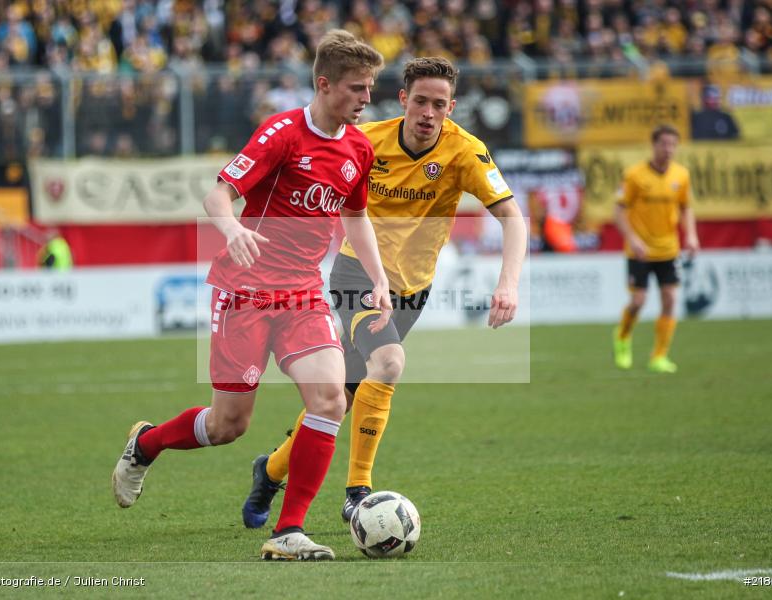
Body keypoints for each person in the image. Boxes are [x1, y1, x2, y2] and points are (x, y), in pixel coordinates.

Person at [111, 30, 390, 561]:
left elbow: (355, 215)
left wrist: (376, 277)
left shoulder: (358, 148)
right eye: (357, 88)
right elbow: (219, 194)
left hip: (303, 293)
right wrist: (233, 230)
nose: (366, 99)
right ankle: (146, 444)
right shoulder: (281, 133)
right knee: (227, 425)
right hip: (244, 292)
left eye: (371, 88)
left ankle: (289, 530)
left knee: (331, 398)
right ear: (325, 84)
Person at [241, 56, 528, 528]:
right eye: (420, 101)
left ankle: (270, 469)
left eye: (439, 104)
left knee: (346, 393)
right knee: (389, 363)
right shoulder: (365, 142)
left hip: (413, 290)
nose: (428, 113)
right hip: (358, 275)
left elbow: (512, 217)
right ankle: (358, 491)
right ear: (402, 100)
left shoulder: (465, 152)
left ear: (451, 107)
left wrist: (508, 284)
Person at [612, 124, 700, 373]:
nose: (669, 149)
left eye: (673, 144)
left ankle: (659, 356)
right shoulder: (635, 175)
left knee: (670, 298)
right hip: (639, 250)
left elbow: (686, 208)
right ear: (654, 145)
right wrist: (633, 238)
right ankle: (622, 335)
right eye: (664, 144)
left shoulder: (681, 175)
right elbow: (618, 211)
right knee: (638, 301)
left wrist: (691, 236)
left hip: (668, 248)